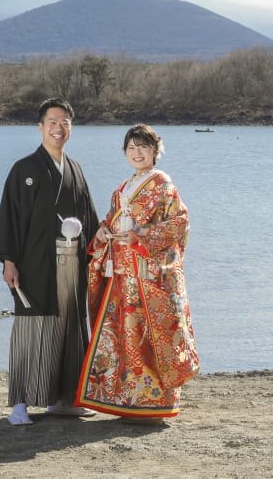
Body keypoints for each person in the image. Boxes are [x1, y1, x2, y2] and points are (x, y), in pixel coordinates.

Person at [75, 124, 199, 423]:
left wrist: (141, 236)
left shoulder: (163, 184)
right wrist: (104, 231)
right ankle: (128, 400)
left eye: (143, 147)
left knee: (149, 335)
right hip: (121, 273)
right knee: (122, 336)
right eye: (131, 148)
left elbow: (179, 223)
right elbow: (112, 219)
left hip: (148, 275)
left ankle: (154, 402)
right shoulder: (124, 187)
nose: (137, 153)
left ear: (155, 151)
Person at [0, 98, 100, 425]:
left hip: (71, 265)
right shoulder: (24, 169)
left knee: (69, 329)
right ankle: (20, 404)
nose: (58, 127)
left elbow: (89, 219)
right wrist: (9, 261)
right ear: (40, 127)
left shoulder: (75, 169)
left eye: (65, 122)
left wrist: (101, 241)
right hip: (36, 264)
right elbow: (10, 217)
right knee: (31, 328)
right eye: (52, 121)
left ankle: (62, 400)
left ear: (71, 128)